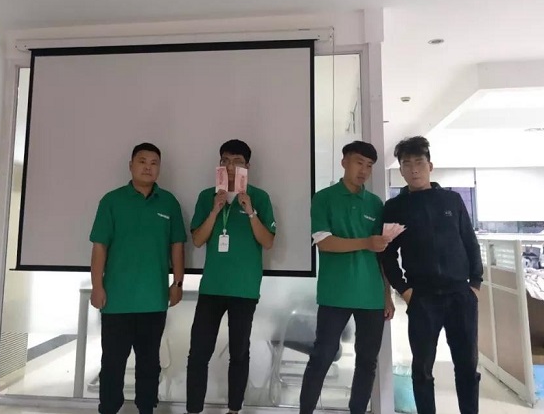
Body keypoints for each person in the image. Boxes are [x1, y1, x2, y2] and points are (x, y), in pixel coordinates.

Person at [381, 136, 483, 414]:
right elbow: (386, 254)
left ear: (430, 166)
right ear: (401, 170)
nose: (414, 169)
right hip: (422, 298)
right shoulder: (395, 208)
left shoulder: (452, 200)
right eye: (407, 164)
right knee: (422, 368)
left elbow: (469, 241)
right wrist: (404, 290)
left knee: (467, 366)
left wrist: (475, 283)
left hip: (460, 295)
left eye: (419, 162)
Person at [89, 143, 186, 414]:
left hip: (154, 299)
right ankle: (109, 408)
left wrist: (178, 283)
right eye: (142, 161)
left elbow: (177, 246)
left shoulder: (169, 202)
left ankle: (146, 408)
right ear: (131, 166)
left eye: (154, 163)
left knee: (149, 363)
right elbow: (99, 246)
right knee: (113, 363)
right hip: (116, 299)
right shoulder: (111, 201)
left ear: (159, 169)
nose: (148, 167)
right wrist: (97, 286)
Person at [299, 140, 395, 414]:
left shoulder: (375, 204)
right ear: (344, 162)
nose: (363, 170)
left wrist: (387, 294)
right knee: (322, 356)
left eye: (369, 166)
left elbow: (382, 254)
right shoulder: (324, 198)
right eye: (358, 163)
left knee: (367, 361)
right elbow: (325, 243)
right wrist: (366, 242)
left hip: (371, 295)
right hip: (335, 293)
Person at [186, 139, 277, 414]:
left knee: (239, 353)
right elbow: (198, 240)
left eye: (237, 161)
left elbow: (268, 242)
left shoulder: (260, 197)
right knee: (199, 352)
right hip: (212, 287)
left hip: (244, 289)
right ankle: (193, 409)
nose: (230, 166)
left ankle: (234, 409)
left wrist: (250, 211)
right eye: (225, 160)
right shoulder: (207, 196)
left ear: (247, 166)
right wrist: (215, 209)